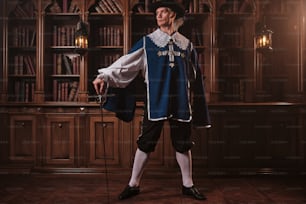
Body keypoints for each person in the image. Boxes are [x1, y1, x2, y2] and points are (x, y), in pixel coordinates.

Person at [92, 0, 211, 201]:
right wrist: (103, 76)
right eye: (157, 13)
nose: (158, 16)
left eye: (162, 12)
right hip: (156, 102)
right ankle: (133, 184)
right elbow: (125, 64)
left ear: (172, 15)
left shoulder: (187, 45)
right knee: (145, 143)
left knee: (183, 144)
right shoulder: (148, 43)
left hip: (181, 102)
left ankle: (188, 185)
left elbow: (194, 76)